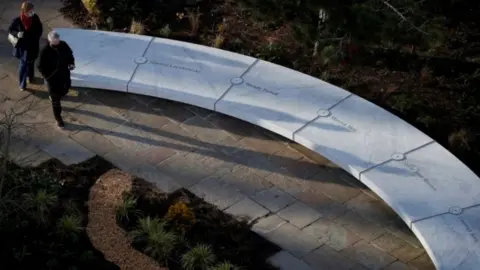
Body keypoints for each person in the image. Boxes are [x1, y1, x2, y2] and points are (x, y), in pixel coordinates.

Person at [38, 30, 75, 128]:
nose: (57, 44)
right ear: (50, 41)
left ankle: (59, 95)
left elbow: (70, 56)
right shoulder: (45, 51)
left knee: (65, 90)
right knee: (56, 101)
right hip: (52, 79)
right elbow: (40, 66)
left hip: (64, 75)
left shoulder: (63, 45)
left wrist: (71, 63)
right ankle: (58, 119)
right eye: (55, 43)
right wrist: (47, 77)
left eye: (58, 42)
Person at [8, 1, 43, 91]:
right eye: (30, 11)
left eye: (32, 10)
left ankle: (30, 77)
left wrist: (36, 37)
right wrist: (17, 34)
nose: (32, 12)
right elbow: (11, 30)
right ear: (24, 11)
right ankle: (22, 83)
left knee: (31, 63)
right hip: (23, 48)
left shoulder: (35, 18)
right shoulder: (17, 20)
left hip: (33, 46)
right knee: (23, 65)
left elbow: (40, 29)